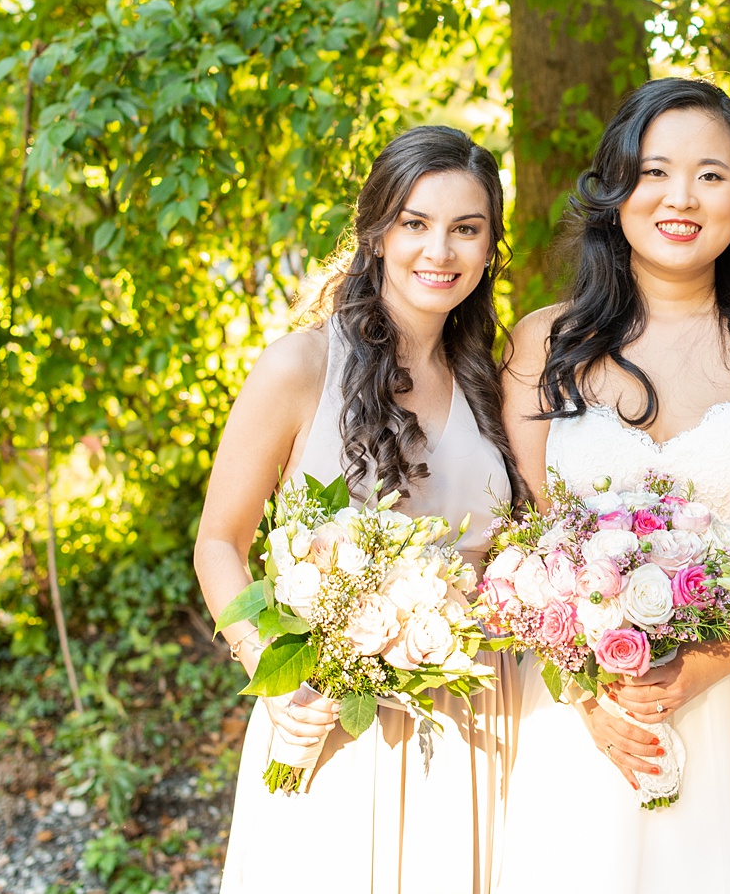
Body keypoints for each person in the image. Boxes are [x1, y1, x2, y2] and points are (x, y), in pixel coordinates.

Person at [494, 78, 730, 894]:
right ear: (617, 186)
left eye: (711, 174)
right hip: (593, 718)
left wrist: (703, 668)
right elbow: (525, 546)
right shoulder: (542, 342)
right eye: (655, 171)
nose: (681, 197)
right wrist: (592, 701)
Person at [195, 126, 523, 894]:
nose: (438, 250)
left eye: (465, 229)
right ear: (376, 232)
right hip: (334, 715)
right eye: (415, 222)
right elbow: (219, 540)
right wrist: (271, 675)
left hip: (477, 719)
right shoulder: (301, 365)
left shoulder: (492, 382)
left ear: (488, 250)